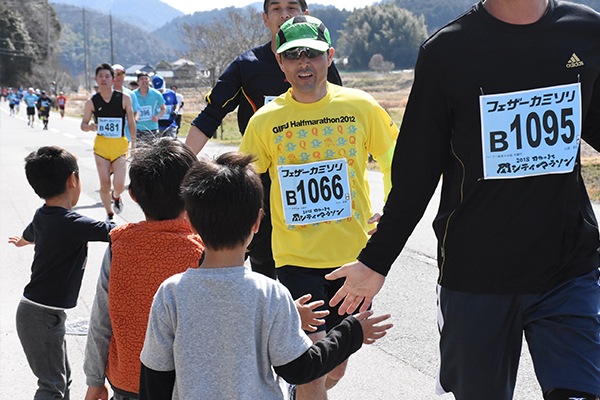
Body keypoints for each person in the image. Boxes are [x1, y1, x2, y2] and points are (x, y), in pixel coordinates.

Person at [326, 1, 600, 399]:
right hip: (476, 278)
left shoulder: (586, 30)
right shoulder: (446, 52)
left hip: (567, 268)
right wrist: (375, 261)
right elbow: (417, 173)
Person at [138, 152, 392, 400]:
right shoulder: (270, 294)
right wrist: (351, 332)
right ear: (257, 222)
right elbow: (300, 368)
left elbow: (154, 380)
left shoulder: (170, 293)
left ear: (190, 223)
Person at [239, 15, 397, 400]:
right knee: (313, 359)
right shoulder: (265, 121)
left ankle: (297, 390)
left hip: (353, 259)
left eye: (311, 53)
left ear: (329, 55)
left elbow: (398, 160)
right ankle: (303, 386)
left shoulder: (360, 106)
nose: (303, 63)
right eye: (293, 56)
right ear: (280, 62)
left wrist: (390, 213)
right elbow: (242, 182)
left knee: (335, 366)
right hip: (294, 258)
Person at [186, 0, 343, 281]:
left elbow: (341, 115)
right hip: (263, 189)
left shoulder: (320, 63)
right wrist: (181, 170)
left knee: (322, 275)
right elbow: (211, 116)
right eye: (276, 8)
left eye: (292, 8)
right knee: (267, 272)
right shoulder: (247, 66)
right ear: (265, 18)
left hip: (316, 186)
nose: (284, 14)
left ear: (306, 15)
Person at [83, 138, 205, 400]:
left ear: (134, 195)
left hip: (128, 382)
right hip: (185, 385)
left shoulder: (119, 244)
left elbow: (100, 319)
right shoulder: (203, 251)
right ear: (193, 193)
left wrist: (94, 380)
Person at [8, 146, 114, 400]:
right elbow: (113, 231)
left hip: (40, 313)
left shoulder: (43, 214)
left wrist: (24, 240)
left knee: (60, 379)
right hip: (41, 316)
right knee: (52, 385)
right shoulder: (72, 223)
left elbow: (32, 230)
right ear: (73, 180)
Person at [81, 63, 136, 222]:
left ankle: (116, 196)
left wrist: (134, 146)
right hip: (101, 148)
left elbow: (132, 123)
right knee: (104, 184)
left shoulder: (124, 98)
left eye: (107, 76)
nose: (104, 79)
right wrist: (89, 126)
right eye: (101, 76)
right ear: (96, 79)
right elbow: (83, 125)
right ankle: (110, 214)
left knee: (119, 184)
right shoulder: (91, 102)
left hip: (119, 146)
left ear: (113, 80)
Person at [133, 71, 166, 144]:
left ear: (149, 81)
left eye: (146, 79)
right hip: (138, 129)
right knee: (139, 152)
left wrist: (157, 117)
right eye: (142, 79)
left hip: (152, 128)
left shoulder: (156, 94)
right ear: (138, 82)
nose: (144, 81)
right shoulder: (133, 94)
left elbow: (163, 109)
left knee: (152, 152)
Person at [112, 63, 140, 143]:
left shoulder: (130, 94)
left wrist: (134, 120)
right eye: (116, 74)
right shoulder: (106, 93)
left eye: (121, 74)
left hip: (126, 136)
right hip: (109, 136)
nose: (119, 77)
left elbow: (136, 112)